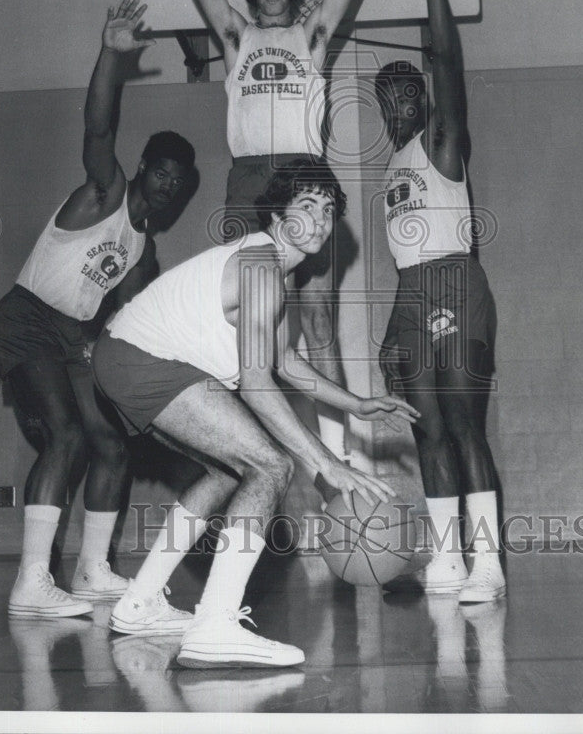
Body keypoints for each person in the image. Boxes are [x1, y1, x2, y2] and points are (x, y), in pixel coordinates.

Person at [91, 159, 419, 668]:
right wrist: (325, 463)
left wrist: (354, 403)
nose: (320, 219)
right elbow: (258, 383)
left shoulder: (269, 272)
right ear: (277, 214)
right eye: (306, 205)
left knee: (226, 474)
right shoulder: (262, 266)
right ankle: (215, 626)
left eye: (329, 210)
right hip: (142, 359)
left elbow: (283, 360)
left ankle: (139, 602)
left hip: (129, 357)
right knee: (271, 465)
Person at [0, 0, 195, 618]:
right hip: (26, 318)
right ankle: (31, 583)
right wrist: (110, 53)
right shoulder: (104, 191)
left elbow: (121, 323)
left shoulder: (144, 254)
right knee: (66, 434)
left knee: (110, 446)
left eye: (175, 184)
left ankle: (92, 569)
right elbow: (98, 128)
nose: (165, 187)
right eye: (159, 174)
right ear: (141, 170)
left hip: (73, 337)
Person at [184, 0, 368, 459]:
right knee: (247, 331)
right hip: (248, 182)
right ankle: (246, 457)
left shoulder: (310, 36)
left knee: (316, 322)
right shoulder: (236, 36)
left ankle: (340, 467)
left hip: (305, 179)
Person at [376, 0, 505, 602]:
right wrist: (389, 332)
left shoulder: (441, 141)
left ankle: (486, 565)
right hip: (409, 293)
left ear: (423, 100)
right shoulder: (389, 166)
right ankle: (446, 559)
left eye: (406, 94)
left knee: (462, 425)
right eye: (384, 97)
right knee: (426, 433)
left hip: (457, 285)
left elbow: (447, 60)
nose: (396, 103)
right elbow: (401, 252)